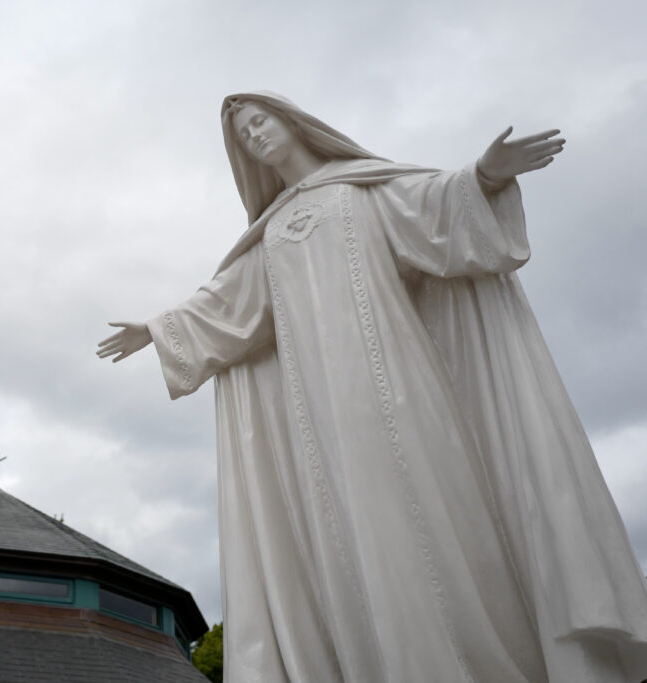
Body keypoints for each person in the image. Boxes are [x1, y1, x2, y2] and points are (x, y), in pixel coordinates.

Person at [98, 92, 647, 682]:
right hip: (322, 422)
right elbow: (226, 307)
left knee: (444, 514)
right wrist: (157, 331)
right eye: (244, 132)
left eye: (262, 119)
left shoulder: (363, 191)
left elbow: (436, 212)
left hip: (405, 386)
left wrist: (484, 175)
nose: (255, 134)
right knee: (352, 543)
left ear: (293, 122)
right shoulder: (271, 233)